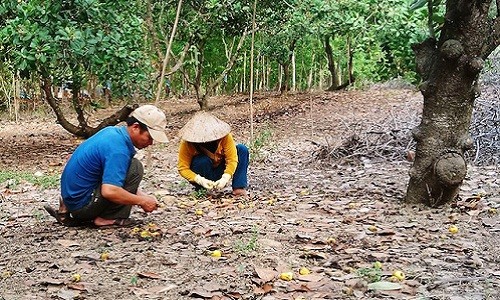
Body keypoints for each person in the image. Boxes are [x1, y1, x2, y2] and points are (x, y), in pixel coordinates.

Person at [44, 105, 169, 227]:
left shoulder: (112, 132)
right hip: (82, 206)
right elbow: (110, 191)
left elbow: (115, 178)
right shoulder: (118, 150)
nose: (151, 143)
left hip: (73, 198)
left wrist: (143, 197)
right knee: (135, 168)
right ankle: (107, 218)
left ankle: (68, 210)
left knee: (130, 167)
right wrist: (142, 201)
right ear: (136, 127)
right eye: (149, 137)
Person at [177, 111, 249, 196]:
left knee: (242, 149)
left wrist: (225, 177)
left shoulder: (225, 137)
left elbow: (232, 159)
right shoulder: (187, 143)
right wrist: (199, 179)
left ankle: (238, 187)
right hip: (202, 171)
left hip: (220, 170)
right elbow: (183, 168)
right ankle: (202, 189)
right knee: (202, 160)